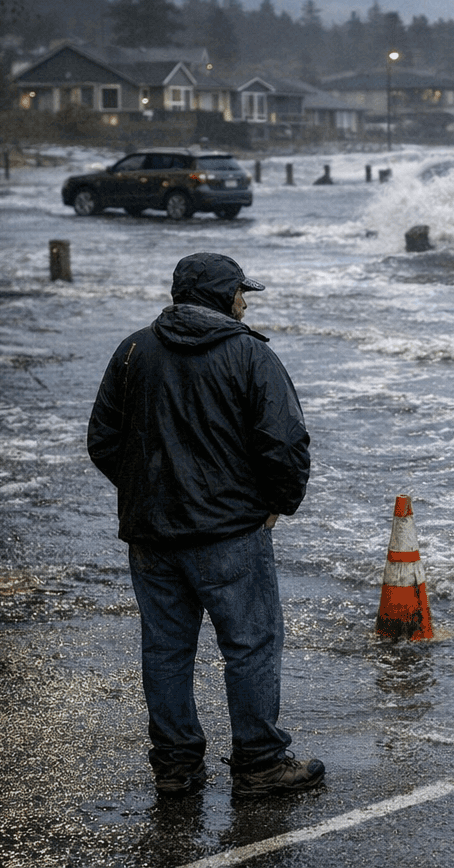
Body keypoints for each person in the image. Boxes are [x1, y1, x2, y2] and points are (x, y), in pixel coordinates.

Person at [88, 252, 323, 798]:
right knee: (251, 646)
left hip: (152, 536)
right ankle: (261, 765)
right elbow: (285, 444)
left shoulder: (132, 351)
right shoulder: (249, 355)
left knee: (166, 650)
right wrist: (278, 505)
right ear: (223, 296)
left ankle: (175, 769)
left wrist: (147, 493)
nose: (246, 302)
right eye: (242, 293)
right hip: (230, 534)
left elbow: (103, 440)